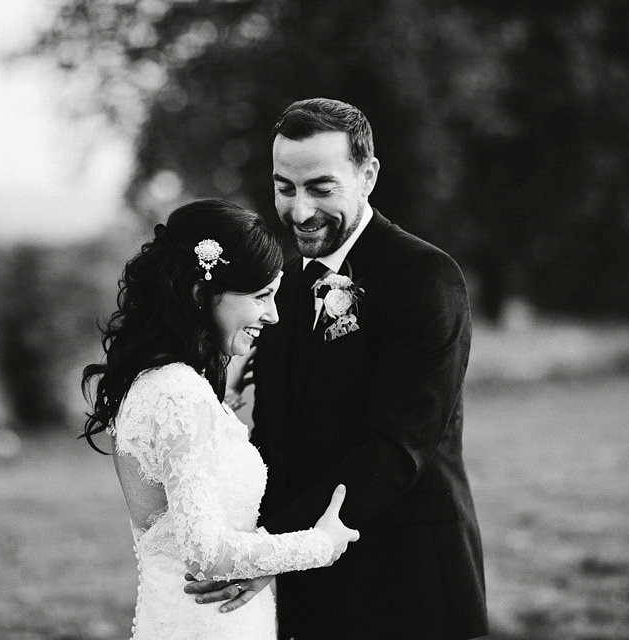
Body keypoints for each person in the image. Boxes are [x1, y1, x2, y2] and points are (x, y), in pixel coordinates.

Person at [186, 99, 488, 639]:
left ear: (367, 175)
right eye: (285, 188)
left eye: (321, 188)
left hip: (408, 583)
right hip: (311, 587)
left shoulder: (425, 278)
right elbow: (276, 436)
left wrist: (270, 549)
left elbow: (395, 450)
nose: (300, 212)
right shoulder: (285, 289)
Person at [80, 198, 359, 640]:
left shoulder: (160, 384)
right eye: (261, 297)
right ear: (199, 294)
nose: (274, 315)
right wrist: (320, 545)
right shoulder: (177, 393)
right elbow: (205, 552)